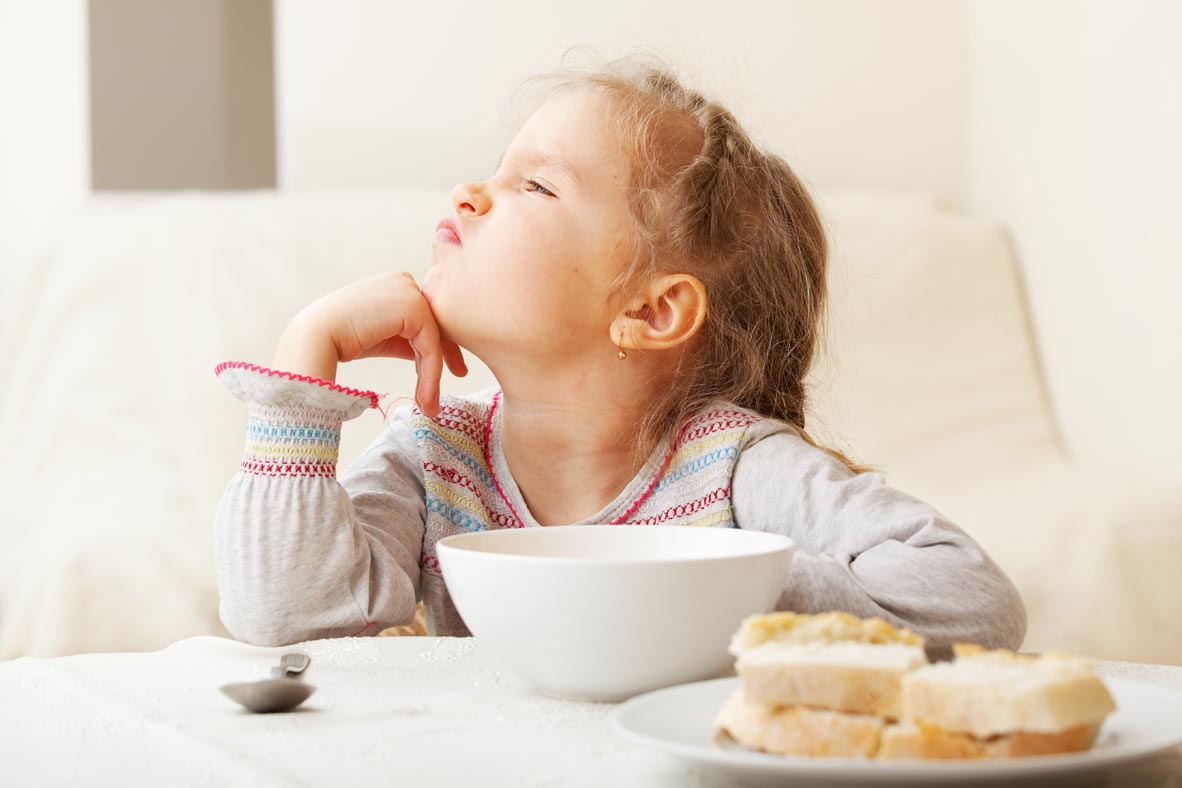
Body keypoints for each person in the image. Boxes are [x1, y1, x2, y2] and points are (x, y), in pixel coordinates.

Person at [213, 52, 1026, 660]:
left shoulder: (731, 466)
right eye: (497, 172)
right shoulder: (434, 459)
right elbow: (287, 620)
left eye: (535, 186)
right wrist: (304, 360)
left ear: (650, 309)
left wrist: (710, 585)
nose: (467, 193)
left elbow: (973, 601)